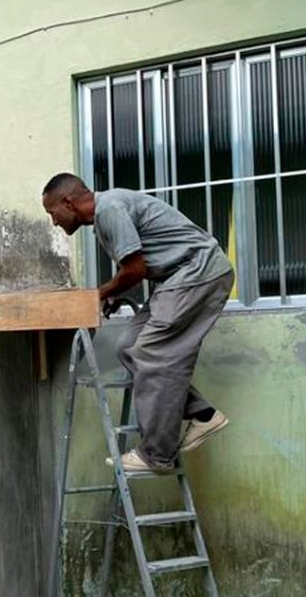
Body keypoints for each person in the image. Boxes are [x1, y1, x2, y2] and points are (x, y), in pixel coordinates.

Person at [41, 172, 233, 474]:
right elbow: (137, 268)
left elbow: (135, 270)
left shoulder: (110, 210)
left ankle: (156, 455)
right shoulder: (106, 214)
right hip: (178, 278)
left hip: (197, 274)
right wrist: (114, 292)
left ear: (68, 202)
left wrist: (101, 293)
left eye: (52, 213)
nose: (54, 221)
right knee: (130, 346)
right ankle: (204, 414)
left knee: (152, 352)